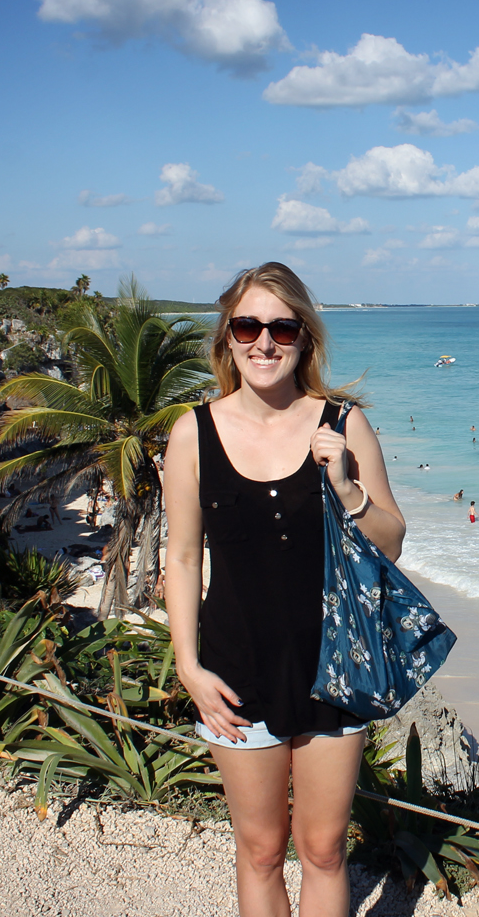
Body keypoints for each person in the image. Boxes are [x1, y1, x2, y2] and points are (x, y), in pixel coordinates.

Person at [163, 262, 404, 917]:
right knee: (262, 849)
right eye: (247, 325)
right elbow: (182, 559)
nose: (263, 342)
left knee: (324, 850)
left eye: (281, 327)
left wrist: (349, 490)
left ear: (304, 338)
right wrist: (188, 667)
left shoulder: (343, 425)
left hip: (334, 664)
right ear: (227, 337)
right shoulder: (193, 433)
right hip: (236, 667)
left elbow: (392, 539)